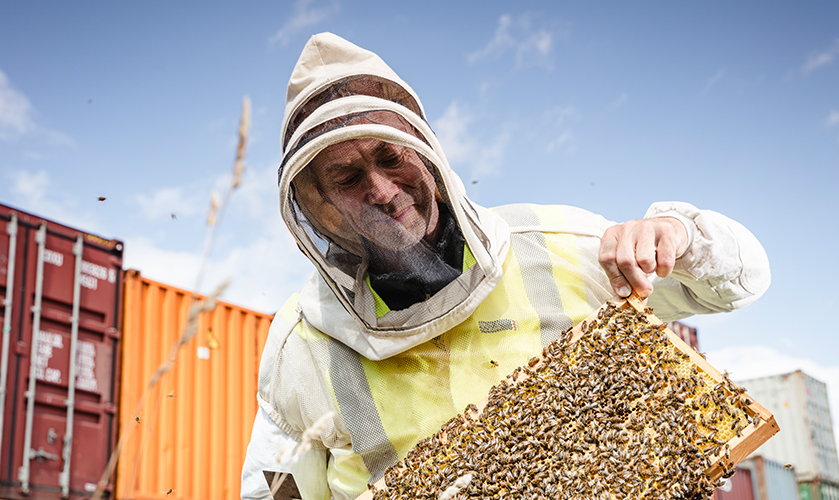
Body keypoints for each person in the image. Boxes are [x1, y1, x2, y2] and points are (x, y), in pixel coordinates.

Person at [241, 32, 770, 500]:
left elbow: (740, 283)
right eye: (348, 177)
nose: (380, 190)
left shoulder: (558, 243)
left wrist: (678, 235)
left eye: (389, 156)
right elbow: (274, 489)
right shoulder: (301, 342)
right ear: (318, 202)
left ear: (425, 151)